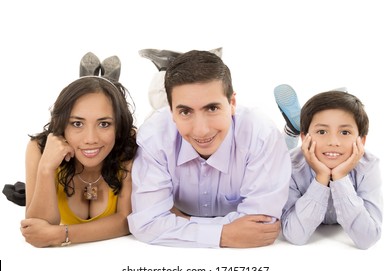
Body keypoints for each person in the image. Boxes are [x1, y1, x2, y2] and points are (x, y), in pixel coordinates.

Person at [128, 50, 291, 248]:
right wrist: (224, 234)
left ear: (232, 103)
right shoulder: (154, 136)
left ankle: (291, 134)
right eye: (185, 111)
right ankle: (169, 65)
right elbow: (147, 224)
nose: (201, 130)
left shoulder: (261, 134)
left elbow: (261, 226)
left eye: (212, 108)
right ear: (171, 112)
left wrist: (178, 221)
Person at [20, 52, 138, 247]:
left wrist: (62, 235)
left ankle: (106, 85)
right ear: (61, 124)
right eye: (76, 123)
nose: (90, 139)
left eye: (104, 124)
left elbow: (126, 220)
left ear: (118, 127)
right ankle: (103, 83)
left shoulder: (127, 145)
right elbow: (38, 229)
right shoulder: (39, 149)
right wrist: (46, 168)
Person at [281, 90, 383, 249]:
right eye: (322, 132)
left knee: (340, 109)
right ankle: (289, 133)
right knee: (276, 153)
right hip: (288, 155)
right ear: (304, 137)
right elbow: (295, 235)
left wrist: (340, 177)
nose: (333, 142)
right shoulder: (290, 165)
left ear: (361, 141)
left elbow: (368, 238)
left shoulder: (368, 166)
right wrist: (321, 177)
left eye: (345, 132)